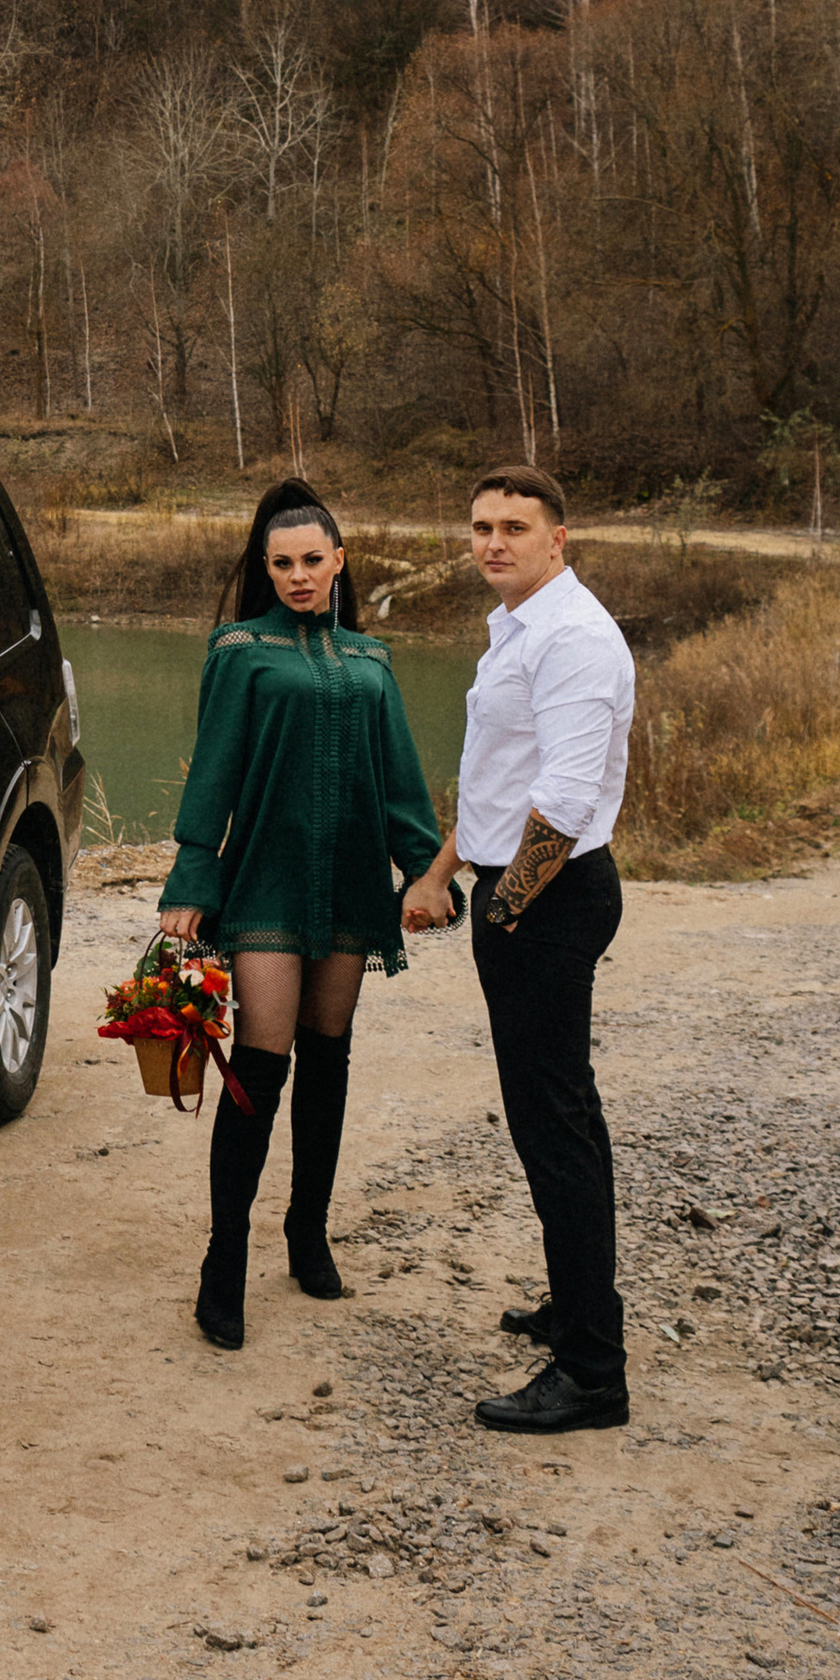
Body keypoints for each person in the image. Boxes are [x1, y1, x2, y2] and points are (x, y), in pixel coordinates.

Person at [160, 478, 444, 1349]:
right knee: (260, 1060)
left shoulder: (372, 660)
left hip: (352, 879)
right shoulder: (239, 649)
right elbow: (214, 767)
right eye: (280, 562)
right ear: (265, 568)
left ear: (339, 562)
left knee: (329, 1056)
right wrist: (192, 876)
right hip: (269, 882)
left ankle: (308, 1232)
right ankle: (224, 1262)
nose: (297, 575)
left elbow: (397, 777)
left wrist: (428, 870)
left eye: (312, 560)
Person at [405, 464, 636, 1434]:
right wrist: (444, 868)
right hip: (516, 886)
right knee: (557, 1117)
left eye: (512, 526)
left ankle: (591, 1372)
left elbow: (567, 800)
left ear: (558, 538)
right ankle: (572, 1310)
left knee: (553, 1127)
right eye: (479, 526)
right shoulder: (519, 628)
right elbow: (501, 780)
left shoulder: (574, 639)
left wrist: (503, 910)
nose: (491, 541)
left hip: (547, 898)